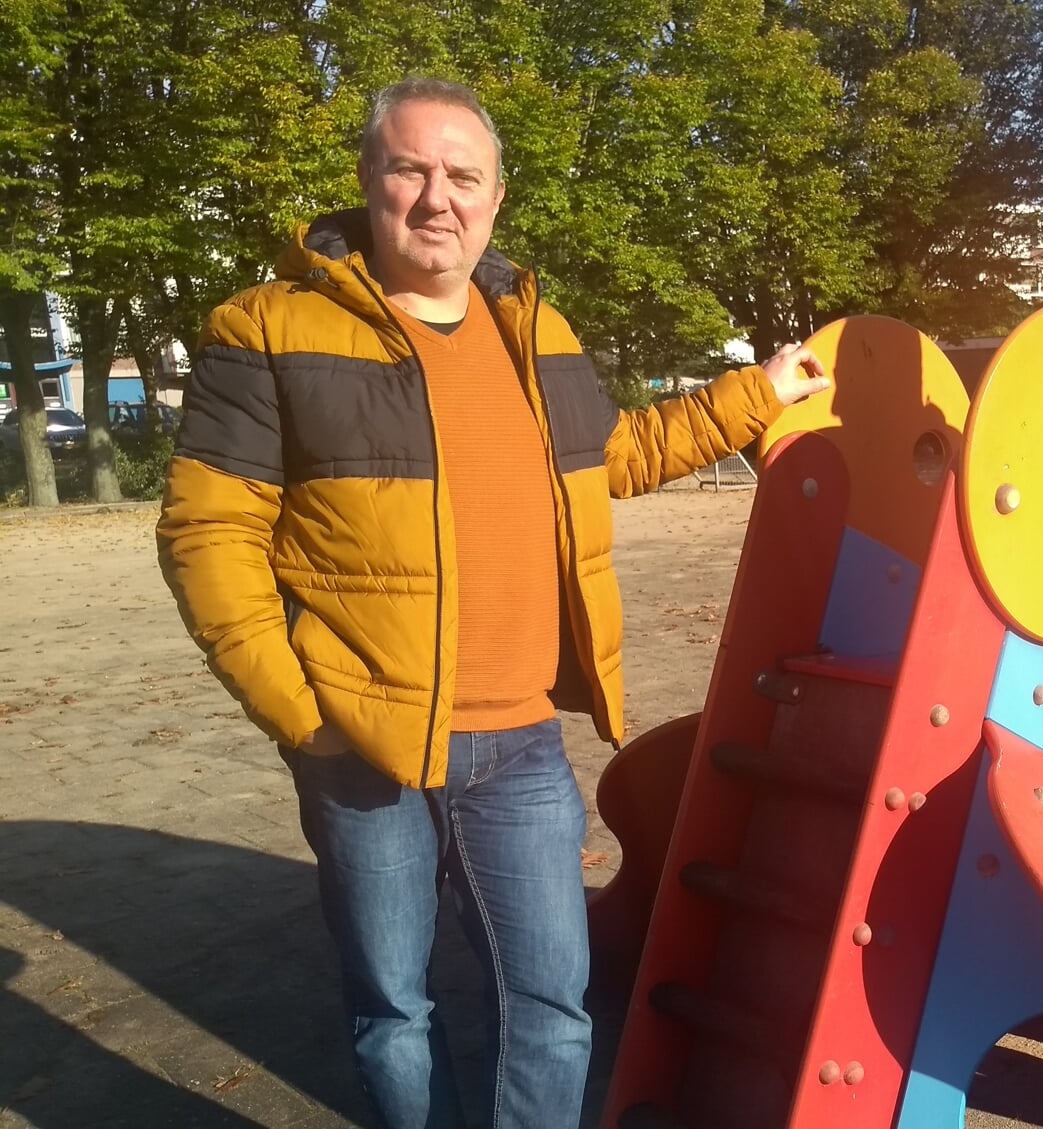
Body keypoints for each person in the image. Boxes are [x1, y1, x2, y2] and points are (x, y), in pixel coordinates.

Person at [156, 77, 828, 1129]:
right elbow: (208, 530)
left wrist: (758, 392)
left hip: (520, 740)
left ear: (496, 197)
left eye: (462, 176)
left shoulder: (537, 329)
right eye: (409, 169)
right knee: (395, 1008)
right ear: (368, 183)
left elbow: (617, 455)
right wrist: (302, 712)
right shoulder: (267, 329)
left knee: (553, 1005)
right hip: (362, 745)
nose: (437, 198)